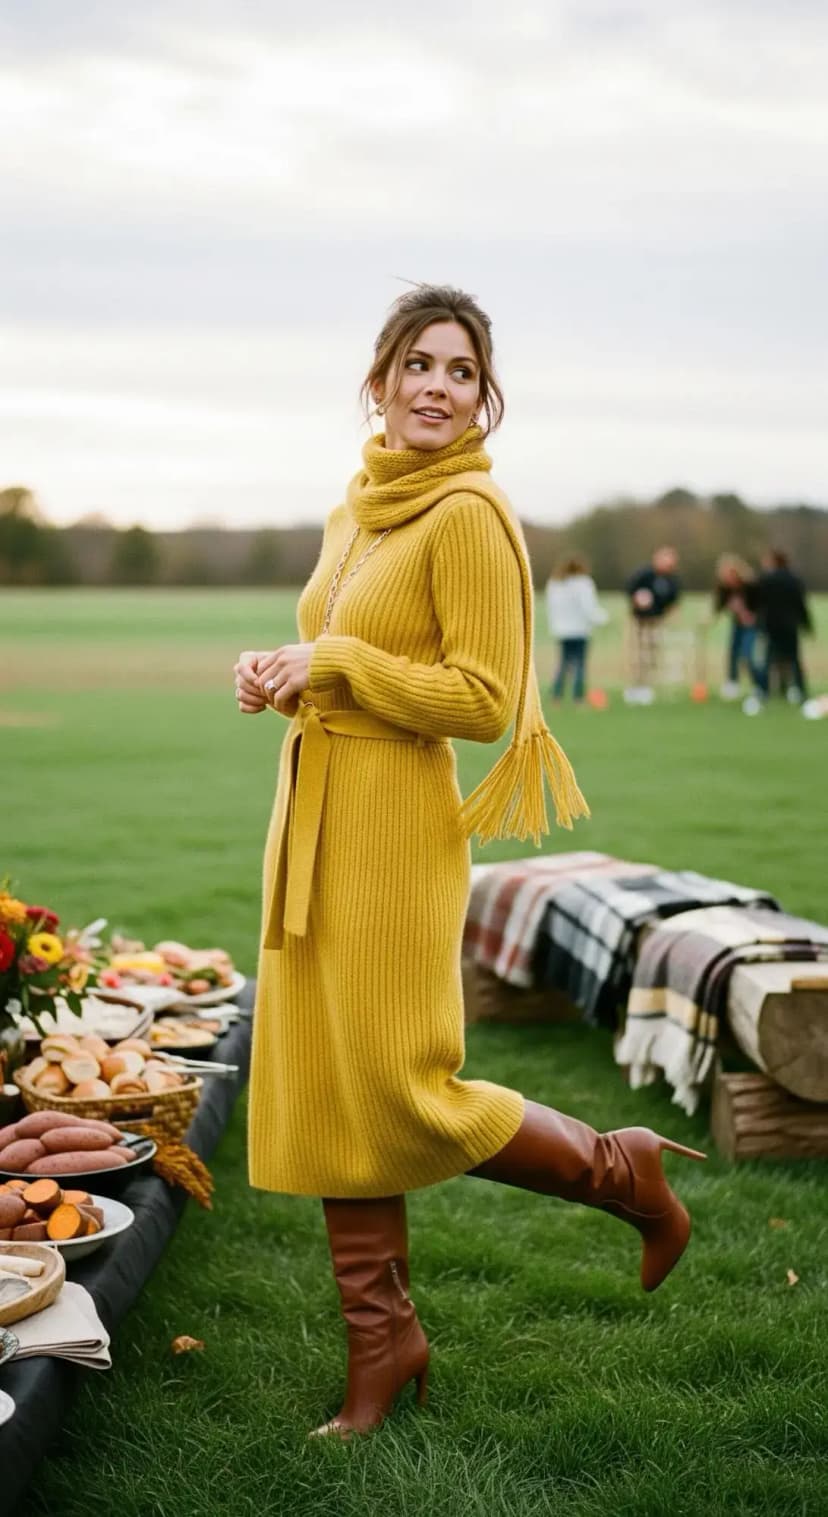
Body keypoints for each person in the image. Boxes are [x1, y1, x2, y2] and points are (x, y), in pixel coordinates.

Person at [233, 285, 705, 1439]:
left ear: (482, 393)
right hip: (314, 814)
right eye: (418, 364)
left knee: (402, 1084)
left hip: (398, 828)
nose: (437, 386)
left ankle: (619, 1169)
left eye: (460, 370)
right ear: (381, 378)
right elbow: (335, 648)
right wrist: (279, 671)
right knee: (338, 1082)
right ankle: (383, 1347)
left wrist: (335, 660)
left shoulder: (471, 515)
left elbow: (485, 701)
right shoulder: (360, 509)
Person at [743, 548, 813, 714]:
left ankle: (765, 691)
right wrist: (807, 625)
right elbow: (801, 604)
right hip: (790, 625)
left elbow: (753, 599)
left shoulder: (765, 579)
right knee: (794, 659)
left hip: (770, 625)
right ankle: (800, 691)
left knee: (768, 659)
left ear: (774, 561)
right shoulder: (794, 579)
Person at [545, 554, 608, 703]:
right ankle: (578, 698)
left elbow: (552, 608)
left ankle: (556, 696)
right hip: (579, 630)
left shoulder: (555, 584)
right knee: (579, 665)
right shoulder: (584, 584)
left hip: (561, 630)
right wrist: (603, 619)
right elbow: (589, 608)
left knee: (563, 664)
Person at [624, 546, 681, 703]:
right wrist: (637, 601)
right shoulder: (644, 574)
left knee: (652, 655)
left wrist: (670, 617)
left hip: (657, 621)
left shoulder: (672, 580)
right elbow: (630, 590)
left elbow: (674, 602)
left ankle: (646, 686)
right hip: (639, 621)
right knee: (638, 655)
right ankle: (635, 686)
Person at [711, 553, 762, 699]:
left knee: (747, 654)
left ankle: (757, 685)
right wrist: (710, 619)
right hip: (738, 624)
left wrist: (752, 616)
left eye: (730, 574)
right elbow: (719, 605)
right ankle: (732, 683)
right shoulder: (725, 588)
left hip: (752, 625)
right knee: (733, 653)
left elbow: (761, 605)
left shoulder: (751, 585)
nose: (728, 578)